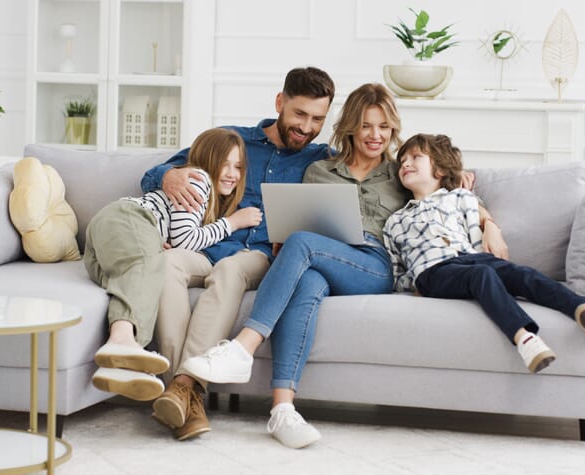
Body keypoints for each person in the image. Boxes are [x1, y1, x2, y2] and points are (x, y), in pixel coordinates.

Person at [179, 83, 508, 449]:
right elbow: (298, 220)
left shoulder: (400, 172)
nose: (375, 135)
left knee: (303, 243)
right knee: (306, 278)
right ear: (351, 126)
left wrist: (487, 220)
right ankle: (282, 410)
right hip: (325, 256)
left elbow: (448, 192)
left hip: (374, 265)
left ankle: (242, 348)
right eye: (367, 125)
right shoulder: (321, 169)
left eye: (384, 127)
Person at [140, 66, 336, 441]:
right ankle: (185, 394)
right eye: (299, 114)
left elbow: (374, 169)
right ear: (280, 103)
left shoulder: (322, 158)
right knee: (165, 262)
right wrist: (169, 176)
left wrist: (452, 178)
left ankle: (183, 385)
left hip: (258, 256)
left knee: (230, 270)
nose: (307, 127)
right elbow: (159, 172)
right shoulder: (235, 141)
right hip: (206, 242)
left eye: (317, 119)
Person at [382, 133, 585, 373]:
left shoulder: (460, 198)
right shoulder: (396, 220)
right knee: (482, 274)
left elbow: (477, 231)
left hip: (469, 258)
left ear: (440, 170)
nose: (406, 164)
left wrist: (489, 229)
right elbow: (396, 268)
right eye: (402, 162)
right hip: (431, 272)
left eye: (415, 157)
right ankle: (524, 338)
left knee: (520, 274)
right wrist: (412, 286)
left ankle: (582, 309)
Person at [84, 128, 262, 402]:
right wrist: (233, 222)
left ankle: (124, 365)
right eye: (224, 164)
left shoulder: (207, 194)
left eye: (238, 166)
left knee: (136, 279)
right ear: (208, 162)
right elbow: (186, 239)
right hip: (129, 218)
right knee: (146, 264)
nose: (232, 173)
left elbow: (178, 238)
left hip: (106, 242)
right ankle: (122, 341)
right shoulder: (198, 179)